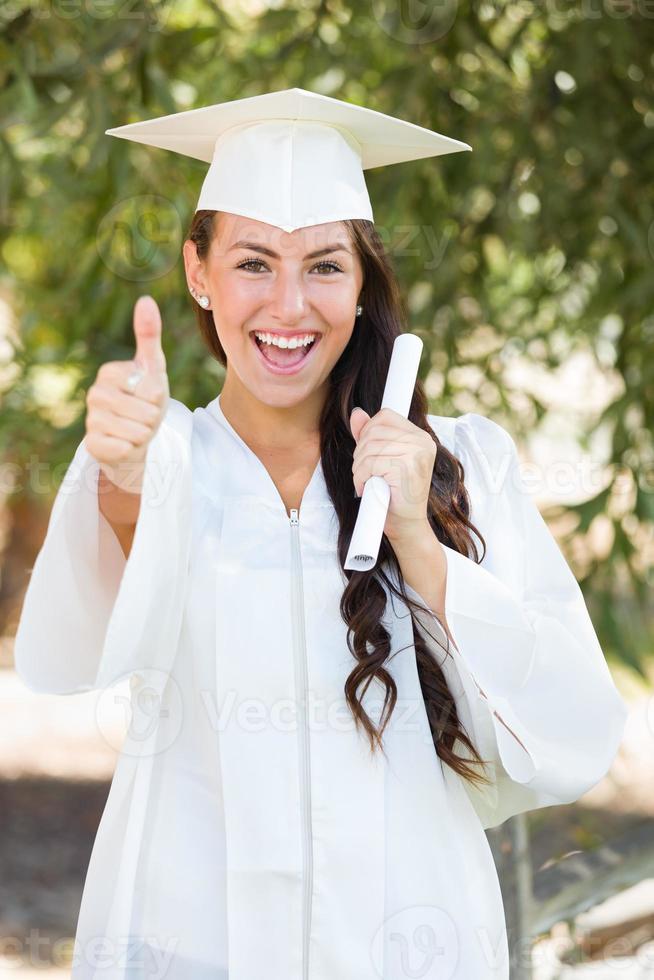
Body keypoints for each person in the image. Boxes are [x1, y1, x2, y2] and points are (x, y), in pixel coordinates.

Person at [14, 88, 627, 980]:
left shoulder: (458, 461)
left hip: (409, 935)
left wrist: (417, 534)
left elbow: (565, 726)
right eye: (253, 263)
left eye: (326, 267)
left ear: (364, 280)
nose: (289, 305)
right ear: (199, 271)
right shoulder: (168, 454)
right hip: (193, 929)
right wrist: (119, 467)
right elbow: (88, 640)